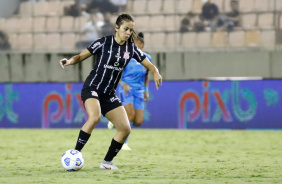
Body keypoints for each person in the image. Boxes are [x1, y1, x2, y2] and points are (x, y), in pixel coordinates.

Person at [59, 13, 162, 170]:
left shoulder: (131, 48)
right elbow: (80, 56)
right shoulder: (103, 42)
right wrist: (69, 61)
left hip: (109, 94)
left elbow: (148, 64)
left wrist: (155, 71)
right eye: (126, 29)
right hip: (92, 88)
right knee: (95, 117)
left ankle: (106, 163)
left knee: (125, 129)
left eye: (131, 30)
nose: (128, 33)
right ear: (117, 27)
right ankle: (74, 154)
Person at [107, 32, 151, 150]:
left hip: (139, 91)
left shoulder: (147, 58)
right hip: (126, 89)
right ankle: (123, 144)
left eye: (135, 43)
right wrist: (122, 83)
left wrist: (146, 90)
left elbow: (146, 76)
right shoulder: (125, 56)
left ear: (141, 44)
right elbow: (116, 72)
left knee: (138, 121)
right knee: (130, 115)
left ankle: (116, 120)